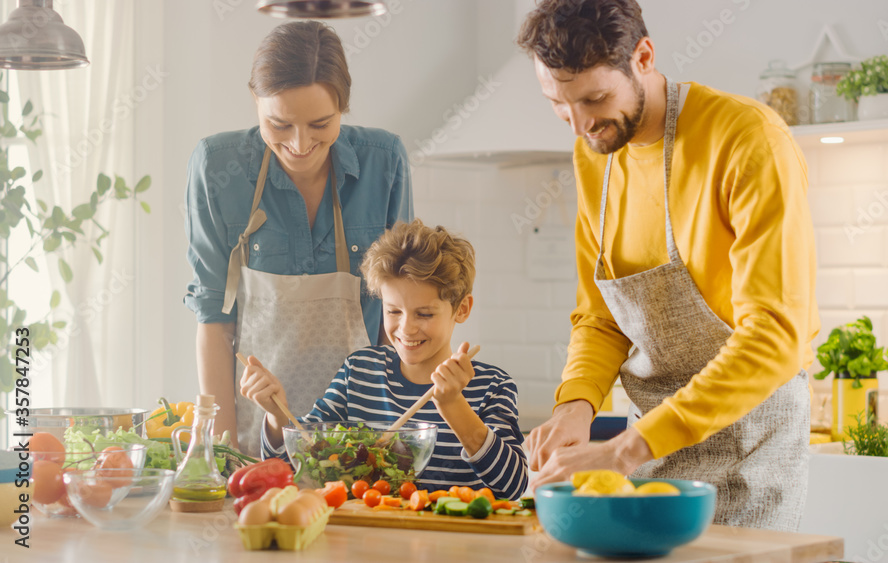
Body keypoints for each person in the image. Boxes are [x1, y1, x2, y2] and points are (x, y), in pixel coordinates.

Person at [517, 0, 819, 531]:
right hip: (650, 453)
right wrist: (576, 405)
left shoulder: (748, 140)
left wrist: (627, 449)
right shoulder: (595, 155)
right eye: (559, 105)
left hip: (751, 449)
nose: (580, 126)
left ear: (644, 57)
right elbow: (601, 316)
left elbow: (775, 334)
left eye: (595, 98)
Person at [184, 21, 413, 457]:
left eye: (320, 123)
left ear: (344, 107)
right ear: (255, 101)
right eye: (279, 124)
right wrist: (224, 455)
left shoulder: (384, 162)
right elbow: (214, 317)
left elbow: (398, 313)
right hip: (257, 432)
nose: (300, 143)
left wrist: (391, 441)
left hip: (362, 435)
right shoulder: (216, 166)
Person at [240, 219, 528, 499]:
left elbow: (513, 485)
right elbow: (295, 466)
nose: (406, 328)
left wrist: (453, 405)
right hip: (367, 540)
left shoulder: (492, 386)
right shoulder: (359, 372)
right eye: (393, 311)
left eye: (424, 314)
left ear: (462, 309)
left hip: (455, 544)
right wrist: (277, 416)